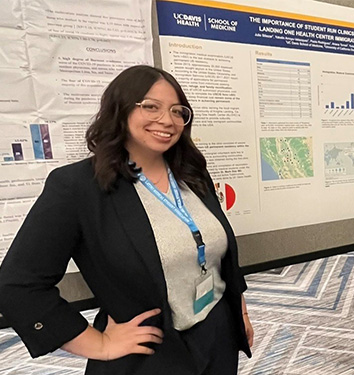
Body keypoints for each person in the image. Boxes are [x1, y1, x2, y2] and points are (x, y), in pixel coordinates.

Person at [0, 65, 253, 374]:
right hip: (150, 351)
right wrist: (99, 344)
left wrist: (239, 313)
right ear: (119, 110)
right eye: (151, 106)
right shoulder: (79, 186)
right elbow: (17, 285)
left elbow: (219, 255)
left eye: (177, 111)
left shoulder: (191, 173)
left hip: (216, 334)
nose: (167, 120)